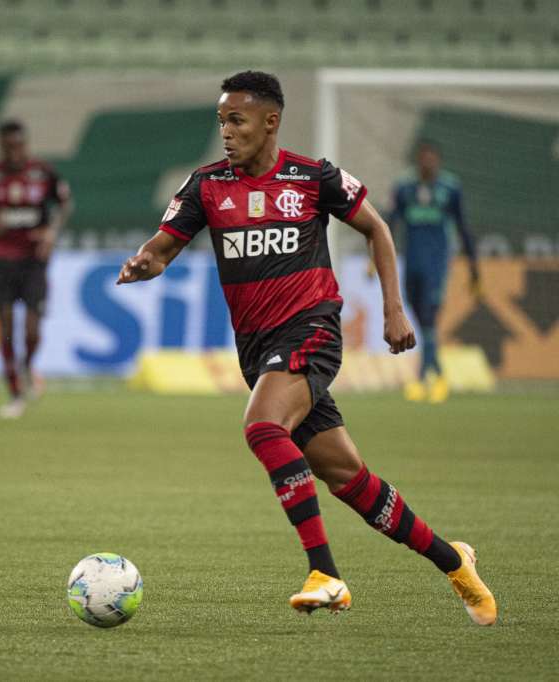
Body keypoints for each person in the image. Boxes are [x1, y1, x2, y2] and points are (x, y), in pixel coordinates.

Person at [118, 71, 496, 624]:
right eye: (221, 120)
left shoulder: (313, 177)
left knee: (263, 428)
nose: (226, 131)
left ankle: (326, 574)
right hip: (257, 350)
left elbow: (378, 229)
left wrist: (393, 308)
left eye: (237, 120)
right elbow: (161, 249)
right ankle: (454, 561)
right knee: (348, 479)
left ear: (270, 121)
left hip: (311, 330)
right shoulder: (206, 187)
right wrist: (143, 265)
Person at [0, 120, 71, 419]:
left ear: (25, 145)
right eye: (8, 147)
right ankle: (15, 392)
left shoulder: (43, 172)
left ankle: (27, 365)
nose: (15, 152)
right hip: (2, 260)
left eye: (19, 145)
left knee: (31, 327)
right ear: (1, 147)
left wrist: (51, 232)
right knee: (5, 328)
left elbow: (64, 204)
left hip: (34, 260)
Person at [390, 140, 479, 403]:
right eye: (423, 158)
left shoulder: (450, 188)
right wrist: (375, 259)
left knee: (429, 316)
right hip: (412, 263)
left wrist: (475, 267)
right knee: (419, 317)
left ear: (438, 160)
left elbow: (463, 226)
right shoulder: (405, 188)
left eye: (432, 158)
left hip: (437, 264)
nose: (427, 162)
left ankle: (421, 378)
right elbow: (390, 223)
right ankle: (438, 372)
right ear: (418, 160)